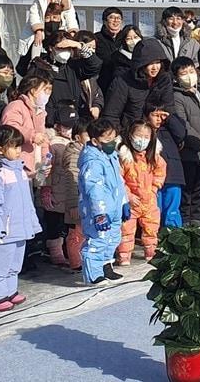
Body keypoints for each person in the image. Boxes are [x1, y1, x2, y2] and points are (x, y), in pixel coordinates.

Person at [0, 125, 42, 312]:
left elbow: (26, 202)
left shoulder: (19, 170)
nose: (19, 151)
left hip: (20, 228)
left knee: (14, 263)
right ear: (0, 149)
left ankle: (9, 290)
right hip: (3, 230)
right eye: (14, 147)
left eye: (19, 147)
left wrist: (32, 223)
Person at [77, 118, 127, 284]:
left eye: (113, 138)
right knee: (98, 240)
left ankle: (106, 266)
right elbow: (94, 190)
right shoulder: (92, 161)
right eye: (107, 140)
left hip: (114, 207)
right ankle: (93, 275)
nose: (111, 143)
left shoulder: (111, 156)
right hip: (99, 210)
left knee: (113, 238)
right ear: (95, 141)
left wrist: (124, 202)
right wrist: (99, 213)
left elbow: (119, 182)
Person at [171, 57, 200, 224]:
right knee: (187, 189)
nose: (189, 76)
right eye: (183, 73)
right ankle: (185, 221)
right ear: (176, 77)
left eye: (191, 71)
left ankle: (196, 220)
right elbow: (183, 124)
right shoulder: (177, 96)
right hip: (189, 150)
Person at [117, 119, 164, 265]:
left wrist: (155, 188)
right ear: (130, 135)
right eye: (138, 135)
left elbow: (160, 172)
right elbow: (119, 179)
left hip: (149, 199)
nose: (142, 140)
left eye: (146, 137)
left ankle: (151, 252)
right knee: (126, 228)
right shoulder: (124, 157)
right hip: (131, 201)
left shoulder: (154, 156)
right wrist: (128, 195)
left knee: (151, 226)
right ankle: (124, 255)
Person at [50, 107, 89, 274]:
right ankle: (75, 261)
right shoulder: (74, 152)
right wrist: (73, 204)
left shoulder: (90, 152)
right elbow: (72, 178)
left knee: (86, 232)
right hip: (77, 200)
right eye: (88, 135)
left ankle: (85, 259)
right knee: (76, 234)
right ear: (79, 137)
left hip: (87, 200)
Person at [102, 38, 173, 127]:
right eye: (150, 63)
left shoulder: (164, 79)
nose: (155, 67)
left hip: (158, 129)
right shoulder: (123, 81)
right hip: (130, 131)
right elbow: (111, 115)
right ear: (141, 64)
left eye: (157, 62)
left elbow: (169, 107)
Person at [45, 30, 103, 120]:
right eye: (61, 48)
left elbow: (94, 66)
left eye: (68, 48)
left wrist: (79, 45)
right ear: (51, 48)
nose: (65, 52)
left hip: (72, 117)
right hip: (50, 117)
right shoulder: (41, 66)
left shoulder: (73, 66)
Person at [144, 105, 186, 228]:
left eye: (161, 116)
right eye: (155, 115)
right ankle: (154, 233)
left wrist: (170, 118)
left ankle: (172, 232)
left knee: (172, 206)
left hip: (172, 174)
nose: (159, 119)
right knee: (155, 207)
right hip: (153, 176)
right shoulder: (144, 131)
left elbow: (182, 133)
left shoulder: (168, 129)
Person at [99, 24, 143, 92]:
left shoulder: (146, 56)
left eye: (136, 37)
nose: (133, 41)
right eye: (128, 38)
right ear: (123, 41)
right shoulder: (115, 59)